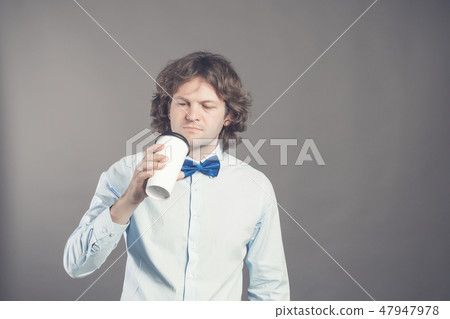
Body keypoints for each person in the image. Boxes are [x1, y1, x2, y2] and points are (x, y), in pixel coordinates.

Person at [63, 51, 290, 300]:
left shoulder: (255, 187)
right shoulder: (125, 173)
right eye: (183, 103)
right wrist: (128, 200)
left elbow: (270, 288)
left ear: (229, 115)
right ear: (168, 109)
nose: (192, 115)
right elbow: (76, 266)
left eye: (206, 105)